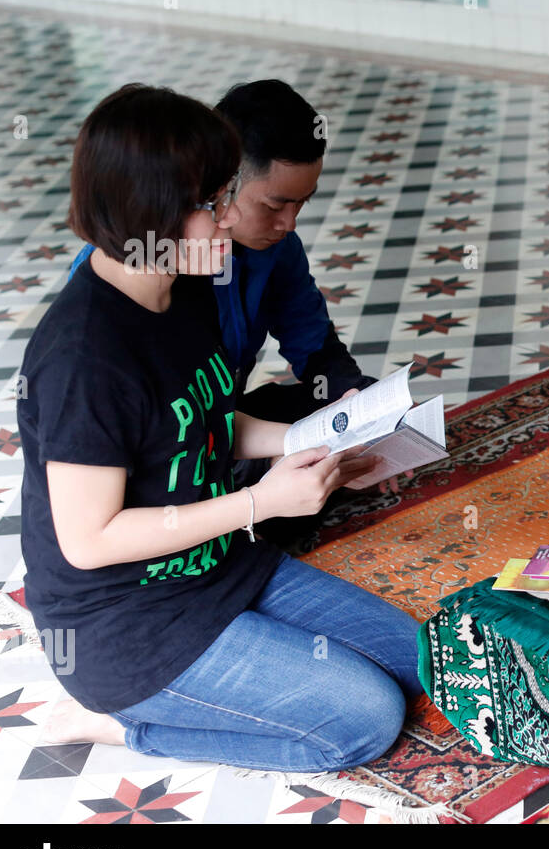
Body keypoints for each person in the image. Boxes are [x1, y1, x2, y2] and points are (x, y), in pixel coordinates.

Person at [21, 84, 421, 773]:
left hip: (218, 567)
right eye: (211, 204)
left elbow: (206, 419)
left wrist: (304, 443)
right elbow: (89, 541)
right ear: (153, 214)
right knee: (367, 719)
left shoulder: (182, 290)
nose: (226, 220)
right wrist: (262, 502)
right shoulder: (85, 356)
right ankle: (120, 725)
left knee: (422, 659)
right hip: (125, 627)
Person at [66, 79, 377, 543]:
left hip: (222, 423)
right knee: (279, 480)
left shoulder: (272, 247)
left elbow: (315, 346)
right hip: (166, 456)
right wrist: (265, 489)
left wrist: (356, 409)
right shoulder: (136, 283)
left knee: (337, 411)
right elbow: (91, 525)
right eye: (275, 204)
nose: (289, 224)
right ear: (219, 184)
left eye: (302, 204)